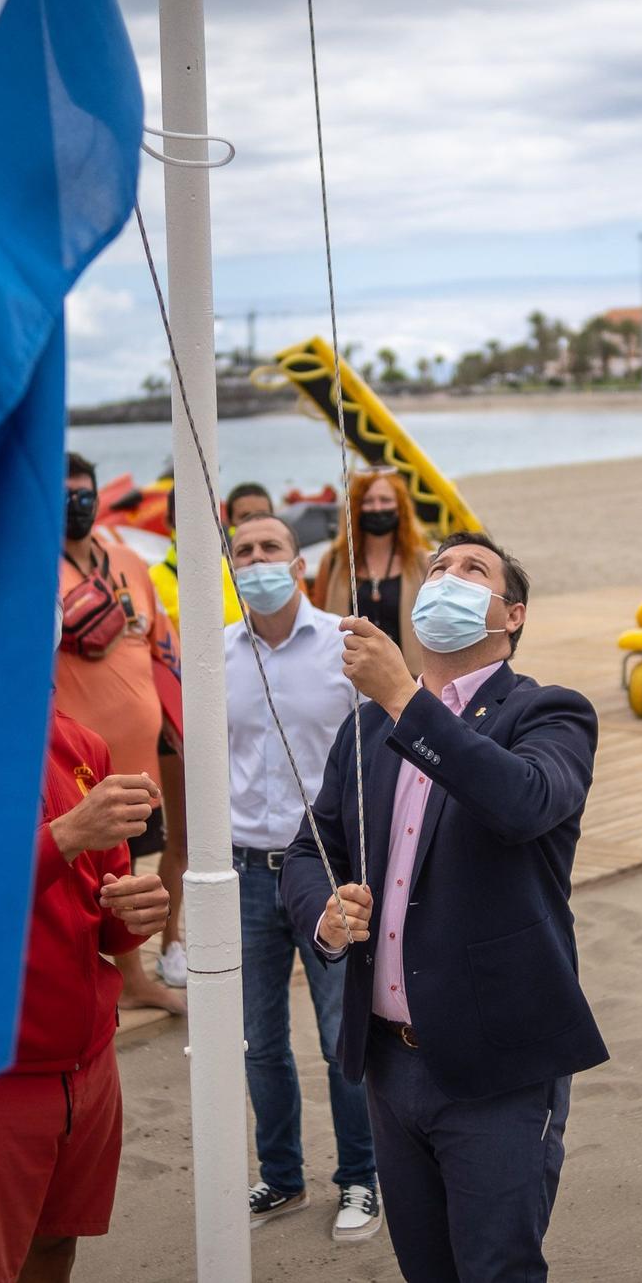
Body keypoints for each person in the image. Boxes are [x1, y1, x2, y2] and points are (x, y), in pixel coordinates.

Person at [282, 531, 606, 1282]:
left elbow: (522, 801)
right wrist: (325, 915)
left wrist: (403, 696)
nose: (446, 578)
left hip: (496, 1064)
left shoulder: (550, 713)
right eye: (437, 568)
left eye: (472, 569)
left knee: (496, 1268)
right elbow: (309, 849)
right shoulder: (364, 729)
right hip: (390, 1064)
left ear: (512, 615)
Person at [0, 704, 169, 1283]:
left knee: (54, 1248)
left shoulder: (80, 744)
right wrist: (65, 836)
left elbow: (104, 915)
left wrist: (137, 910)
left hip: (85, 1065)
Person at [222, 516, 377, 1240]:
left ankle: (361, 1179)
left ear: (297, 560)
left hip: (326, 873)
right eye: (244, 550)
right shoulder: (217, 655)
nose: (257, 561)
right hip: (247, 871)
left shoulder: (342, 648)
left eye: (269, 549)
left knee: (340, 1036)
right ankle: (281, 1176)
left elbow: (376, 761)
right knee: (259, 1039)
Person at [56, 454, 185, 1013]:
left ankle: (135, 974)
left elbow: (163, 645)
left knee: (132, 860)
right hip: (74, 753)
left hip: (139, 747)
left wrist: (180, 718)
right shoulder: (32, 568)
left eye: (85, 494)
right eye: (64, 496)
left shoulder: (130, 562)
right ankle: (111, 979)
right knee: (86, 864)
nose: (77, 505)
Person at [311, 471, 430, 673]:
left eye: (385, 500)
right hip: (348, 679)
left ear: (400, 507)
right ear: (356, 508)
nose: (377, 508)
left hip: (409, 680)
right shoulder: (333, 562)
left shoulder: (421, 562)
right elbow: (319, 619)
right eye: (368, 501)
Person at [149, 486, 242, 630]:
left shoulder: (231, 568)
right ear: (168, 521)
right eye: (186, 513)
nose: (195, 520)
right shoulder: (151, 579)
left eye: (203, 512)